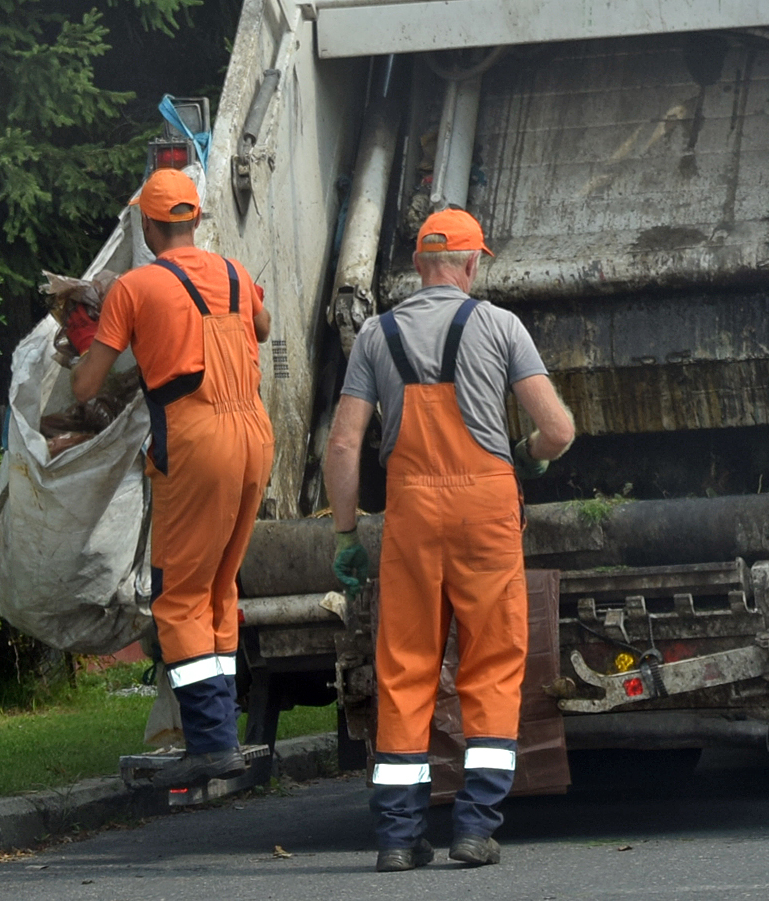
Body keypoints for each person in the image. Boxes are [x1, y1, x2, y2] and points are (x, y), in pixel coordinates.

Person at [324, 208, 575, 872]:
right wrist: (525, 452)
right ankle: (474, 826)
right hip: (488, 509)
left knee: (404, 668)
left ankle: (399, 837)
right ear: (471, 264)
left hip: (412, 512)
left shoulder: (376, 336)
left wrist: (347, 533)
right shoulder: (499, 326)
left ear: (417, 264)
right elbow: (558, 430)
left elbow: (345, 443)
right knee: (490, 664)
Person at [72, 167, 275, 788]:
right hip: (254, 436)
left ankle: (211, 743)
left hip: (196, 440)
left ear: (148, 223)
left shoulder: (135, 288)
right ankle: (221, 736)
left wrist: (86, 337)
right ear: (193, 218)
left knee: (178, 596)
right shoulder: (237, 275)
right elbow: (261, 330)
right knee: (218, 588)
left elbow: (85, 386)